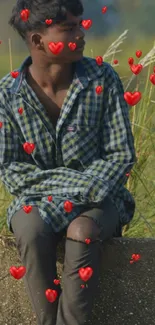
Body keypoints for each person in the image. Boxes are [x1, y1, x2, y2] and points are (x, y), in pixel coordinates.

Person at [0, 0, 137, 324]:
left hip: (101, 200)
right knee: (30, 228)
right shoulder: (8, 94)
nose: (81, 33)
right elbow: (10, 169)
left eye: (81, 23)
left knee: (82, 228)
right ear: (37, 41)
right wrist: (80, 185)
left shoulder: (102, 80)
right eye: (70, 28)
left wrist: (81, 189)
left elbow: (120, 154)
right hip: (42, 201)